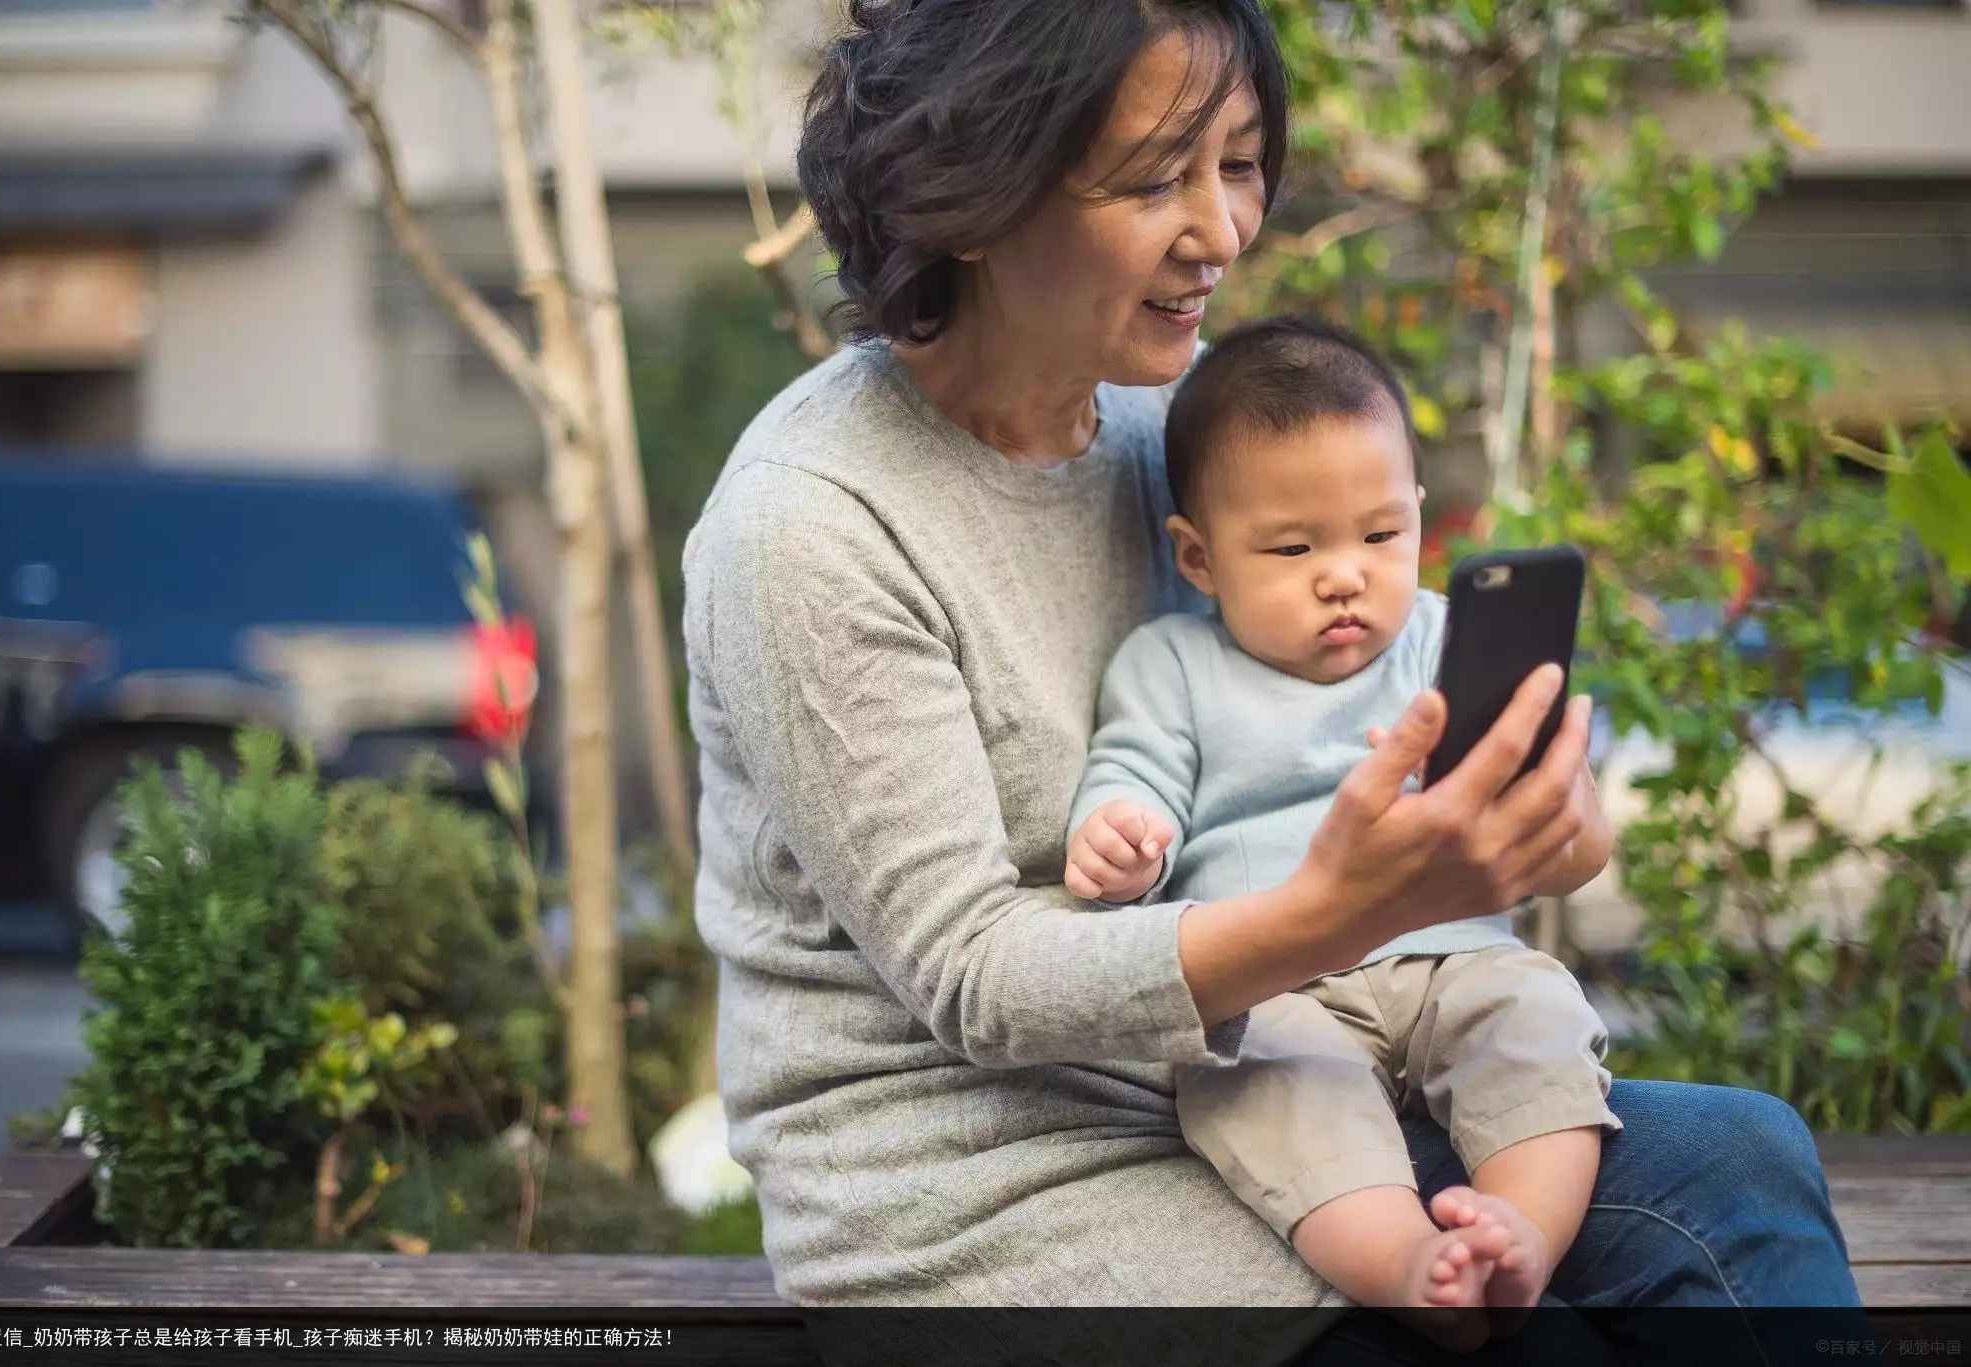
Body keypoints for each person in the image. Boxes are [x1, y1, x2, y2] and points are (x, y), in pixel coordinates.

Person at [681, 0, 1864, 1357]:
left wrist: (1527, 821)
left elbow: (1320, 726)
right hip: (988, 1192)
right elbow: (980, 979)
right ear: (975, 196)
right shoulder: (811, 525)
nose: (1224, 230)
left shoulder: (1166, 434)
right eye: (1151, 178)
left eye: (1237, 162)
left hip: (1274, 1060)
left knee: (1742, 1160)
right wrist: (1333, 910)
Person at [1065, 316, 1618, 1349]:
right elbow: (1131, 772)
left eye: (1379, 535)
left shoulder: (1441, 640)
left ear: (1417, 517)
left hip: (1458, 955)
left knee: (1535, 1013)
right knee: (1264, 1081)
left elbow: (1560, 831)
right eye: (1291, 545)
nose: (1344, 574)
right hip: (1281, 983)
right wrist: (1117, 832)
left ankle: (1521, 1236)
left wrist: (1557, 790)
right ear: (1196, 555)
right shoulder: (1169, 665)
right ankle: (1411, 1268)